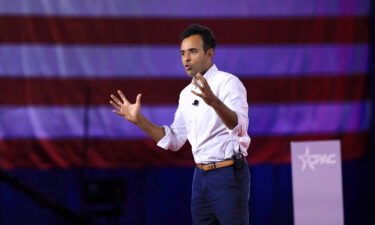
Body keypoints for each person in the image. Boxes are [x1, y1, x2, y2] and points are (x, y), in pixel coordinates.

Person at [110, 24, 250, 225]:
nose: (186, 58)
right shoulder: (186, 94)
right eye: (183, 53)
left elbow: (239, 127)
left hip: (227, 174)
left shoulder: (228, 83)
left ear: (209, 53)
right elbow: (174, 140)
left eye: (192, 51)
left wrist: (214, 102)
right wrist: (139, 120)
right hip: (200, 177)